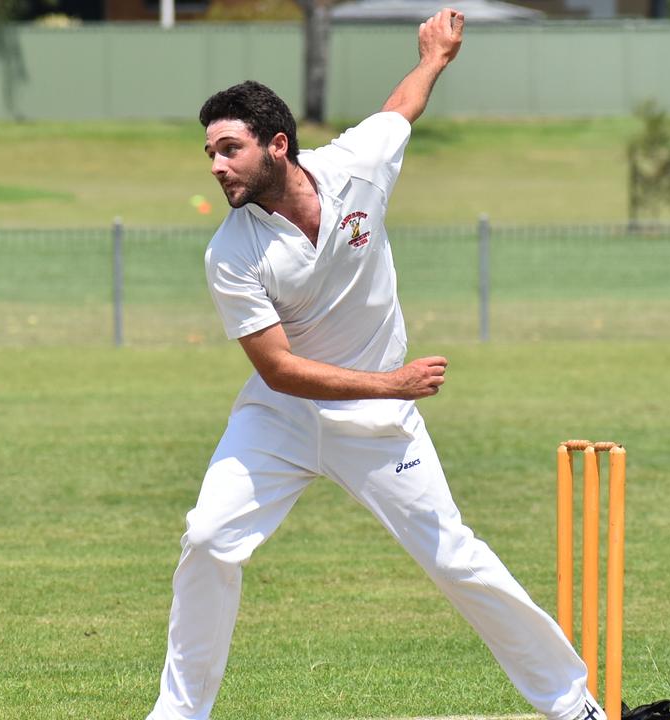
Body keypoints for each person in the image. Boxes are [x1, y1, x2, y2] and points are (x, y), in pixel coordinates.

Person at [146, 10, 606, 720]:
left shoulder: (355, 166)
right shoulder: (230, 252)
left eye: (228, 148)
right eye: (208, 152)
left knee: (456, 559)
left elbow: (400, 109)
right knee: (208, 538)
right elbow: (280, 372)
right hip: (284, 418)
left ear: (277, 144)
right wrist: (393, 381)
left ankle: (575, 708)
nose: (215, 165)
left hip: (380, 428)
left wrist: (435, 57)